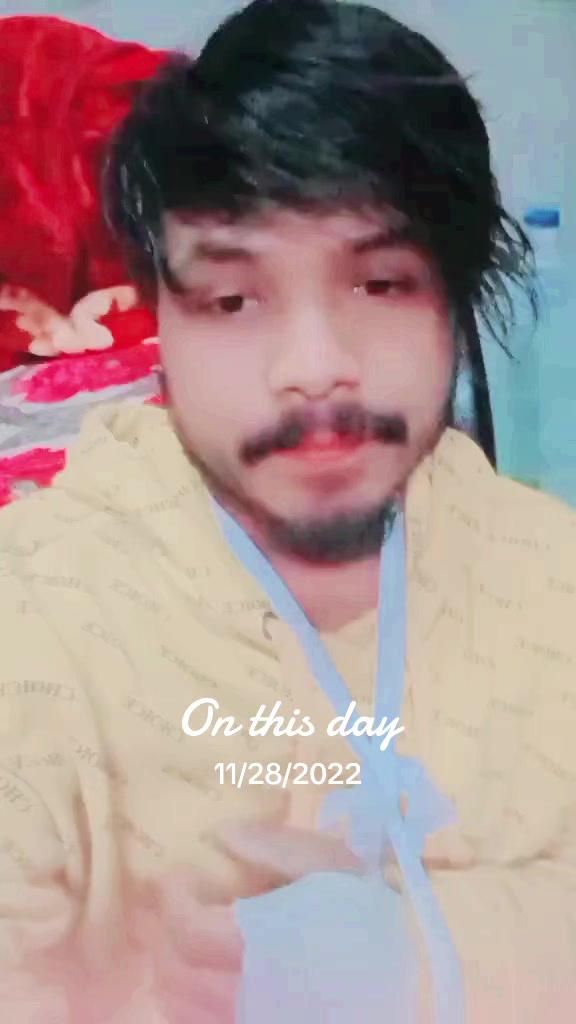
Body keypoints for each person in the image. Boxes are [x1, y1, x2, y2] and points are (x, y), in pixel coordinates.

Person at [0, 0, 574, 1020]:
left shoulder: (549, 583)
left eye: (381, 284)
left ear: (456, 297)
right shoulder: (38, 616)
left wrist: (418, 953)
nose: (313, 366)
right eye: (233, 300)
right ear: (158, 315)